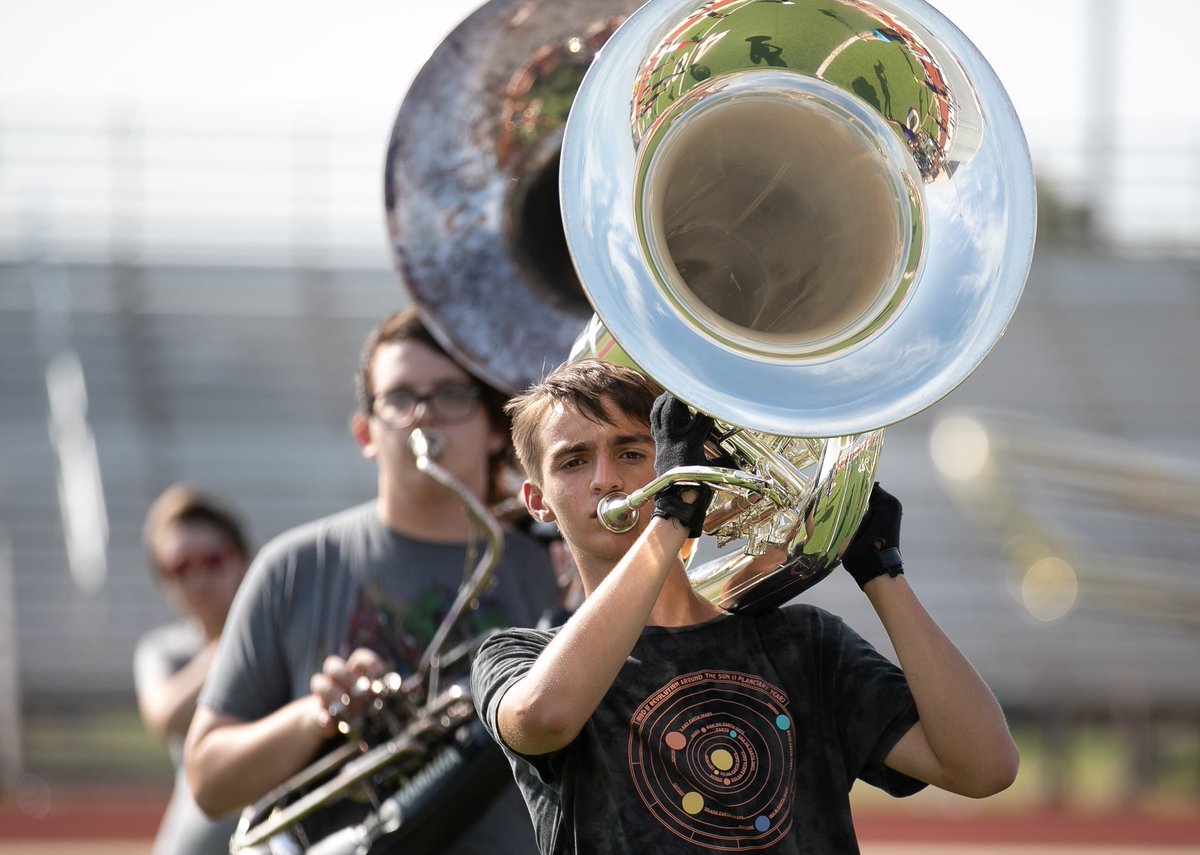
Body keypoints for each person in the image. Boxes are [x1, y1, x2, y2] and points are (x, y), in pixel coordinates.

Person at [471, 359, 1020, 854]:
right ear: (538, 502)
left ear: (667, 464)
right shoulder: (517, 655)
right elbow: (546, 717)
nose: (605, 478)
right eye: (573, 461)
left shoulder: (806, 644)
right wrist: (671, 519)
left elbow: (984, 767)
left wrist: (883, 571)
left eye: (632, 453)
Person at [184, 308, 564, 854]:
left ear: (491, 430)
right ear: (366, 433)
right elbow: (208, 782)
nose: (423, 418)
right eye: (400, 398)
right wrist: (315, 716)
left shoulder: (553, 570)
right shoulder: (294, 566)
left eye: (451, 395)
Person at [134, 484, 252, 855]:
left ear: (244, 560)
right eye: (181, 567)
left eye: (212, 560)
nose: (199, 579)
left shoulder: (282, 635)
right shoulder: (164, 649)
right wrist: (241, 640)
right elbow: (163, 714)